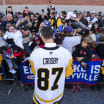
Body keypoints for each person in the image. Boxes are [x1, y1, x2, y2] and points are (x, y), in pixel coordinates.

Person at [29, 26, 74, 104]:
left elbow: (34, 72)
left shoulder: (35, 54)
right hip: (56, 94)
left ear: (42, 37)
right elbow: (68, 74)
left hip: (40, 95)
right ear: (53, 35)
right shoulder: (66, 53)